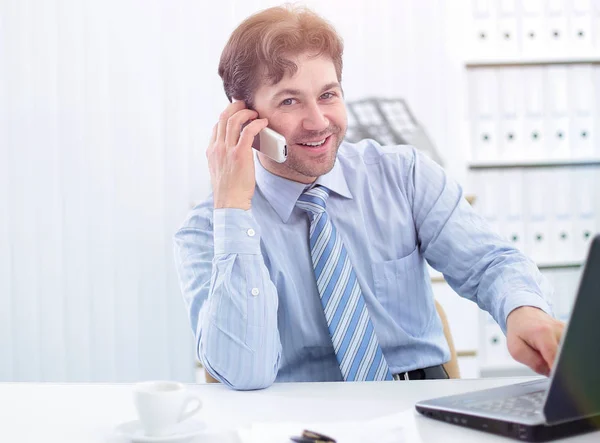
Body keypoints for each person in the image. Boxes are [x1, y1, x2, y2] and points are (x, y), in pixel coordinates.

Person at [173, 5, 564, 391]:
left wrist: (524, 312)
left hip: (416, 406)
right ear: (244, 119)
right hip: (296, 420)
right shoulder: (208, 229)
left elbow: (489, 262)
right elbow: (244, 373)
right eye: (289, 101)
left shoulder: (402, 174)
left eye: (327, 95)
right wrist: (233, 210)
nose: (318, 121)